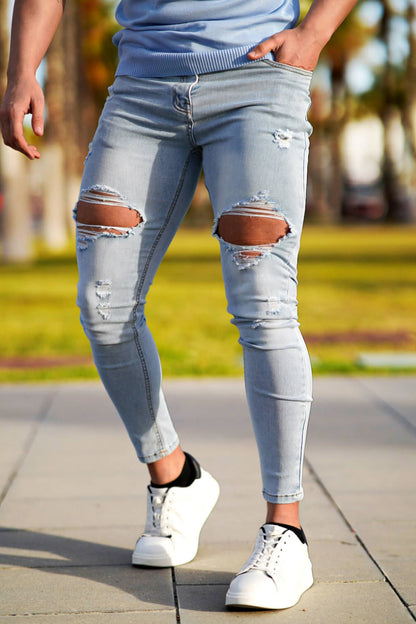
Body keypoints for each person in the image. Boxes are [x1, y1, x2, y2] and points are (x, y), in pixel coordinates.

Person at [1, 0, 358, 611]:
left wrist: (314, 33)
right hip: (142, 87)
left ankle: (286, 531)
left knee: (265, 305)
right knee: (104, 305)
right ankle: (176, 478)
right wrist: (21, 73)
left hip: (257, 78)